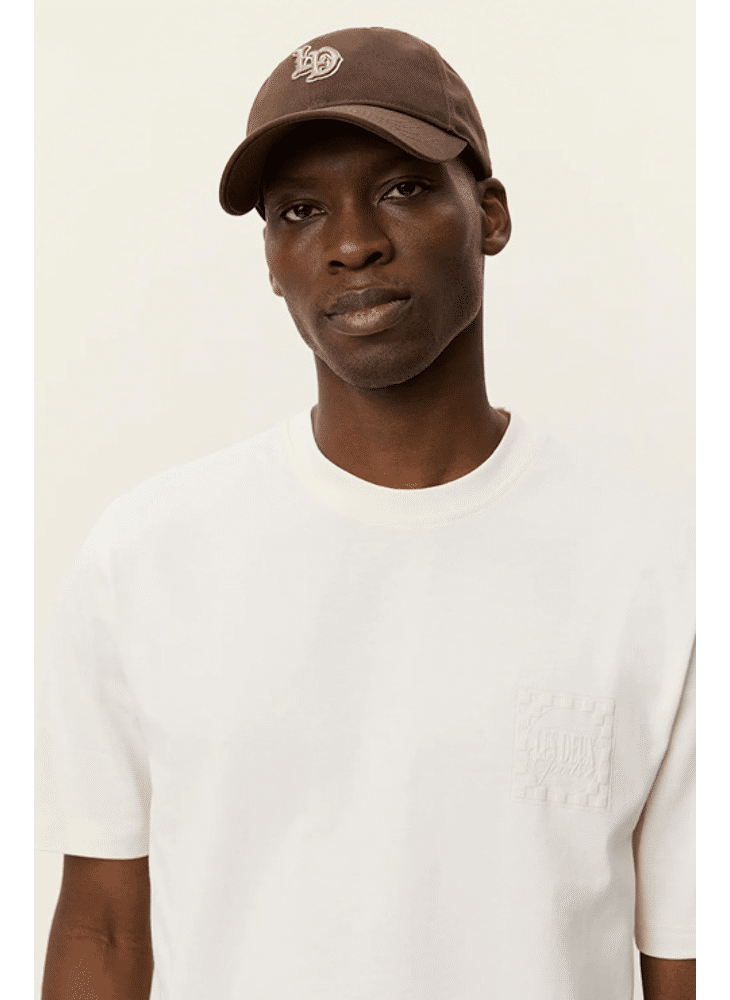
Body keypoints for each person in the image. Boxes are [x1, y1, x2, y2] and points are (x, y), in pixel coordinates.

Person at [36, 26, 695, 1000]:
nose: (351, 244)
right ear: (270, 260)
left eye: (402, 188)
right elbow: (104, 927)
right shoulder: (143, 560)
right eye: (299, 211)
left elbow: (685, 952)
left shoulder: (655, 568)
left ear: (491, 214)